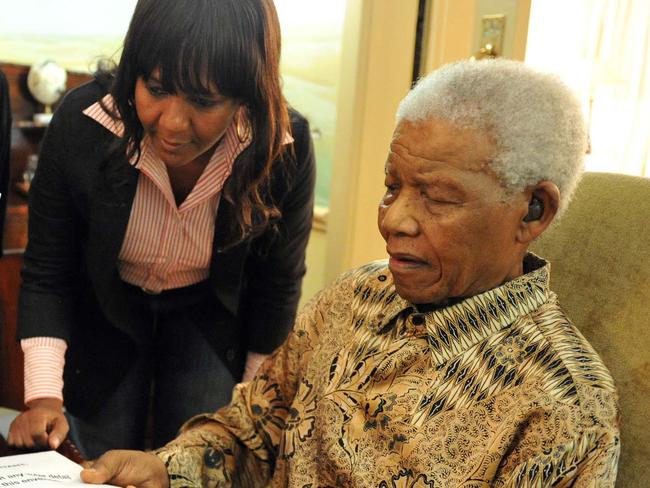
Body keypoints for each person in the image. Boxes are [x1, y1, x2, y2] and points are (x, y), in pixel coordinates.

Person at [83, 59, 620, 487]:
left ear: (533, 212)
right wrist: (166, 469)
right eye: (392, 187)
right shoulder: (356, 295)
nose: (394, 220)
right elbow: (252, 434)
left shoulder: (561, 407)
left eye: (436, 197)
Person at [7, 0, 315, 460]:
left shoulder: (282, 149)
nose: (171, 123)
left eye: (204, 101)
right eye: (155, 88)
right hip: (105, 310)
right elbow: (49, 268)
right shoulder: (84, 123)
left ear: (245, 95)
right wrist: (44, 398)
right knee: (94, 451)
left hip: (207, 314)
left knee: (199, 454)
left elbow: (277, 288)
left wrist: (253, 413)